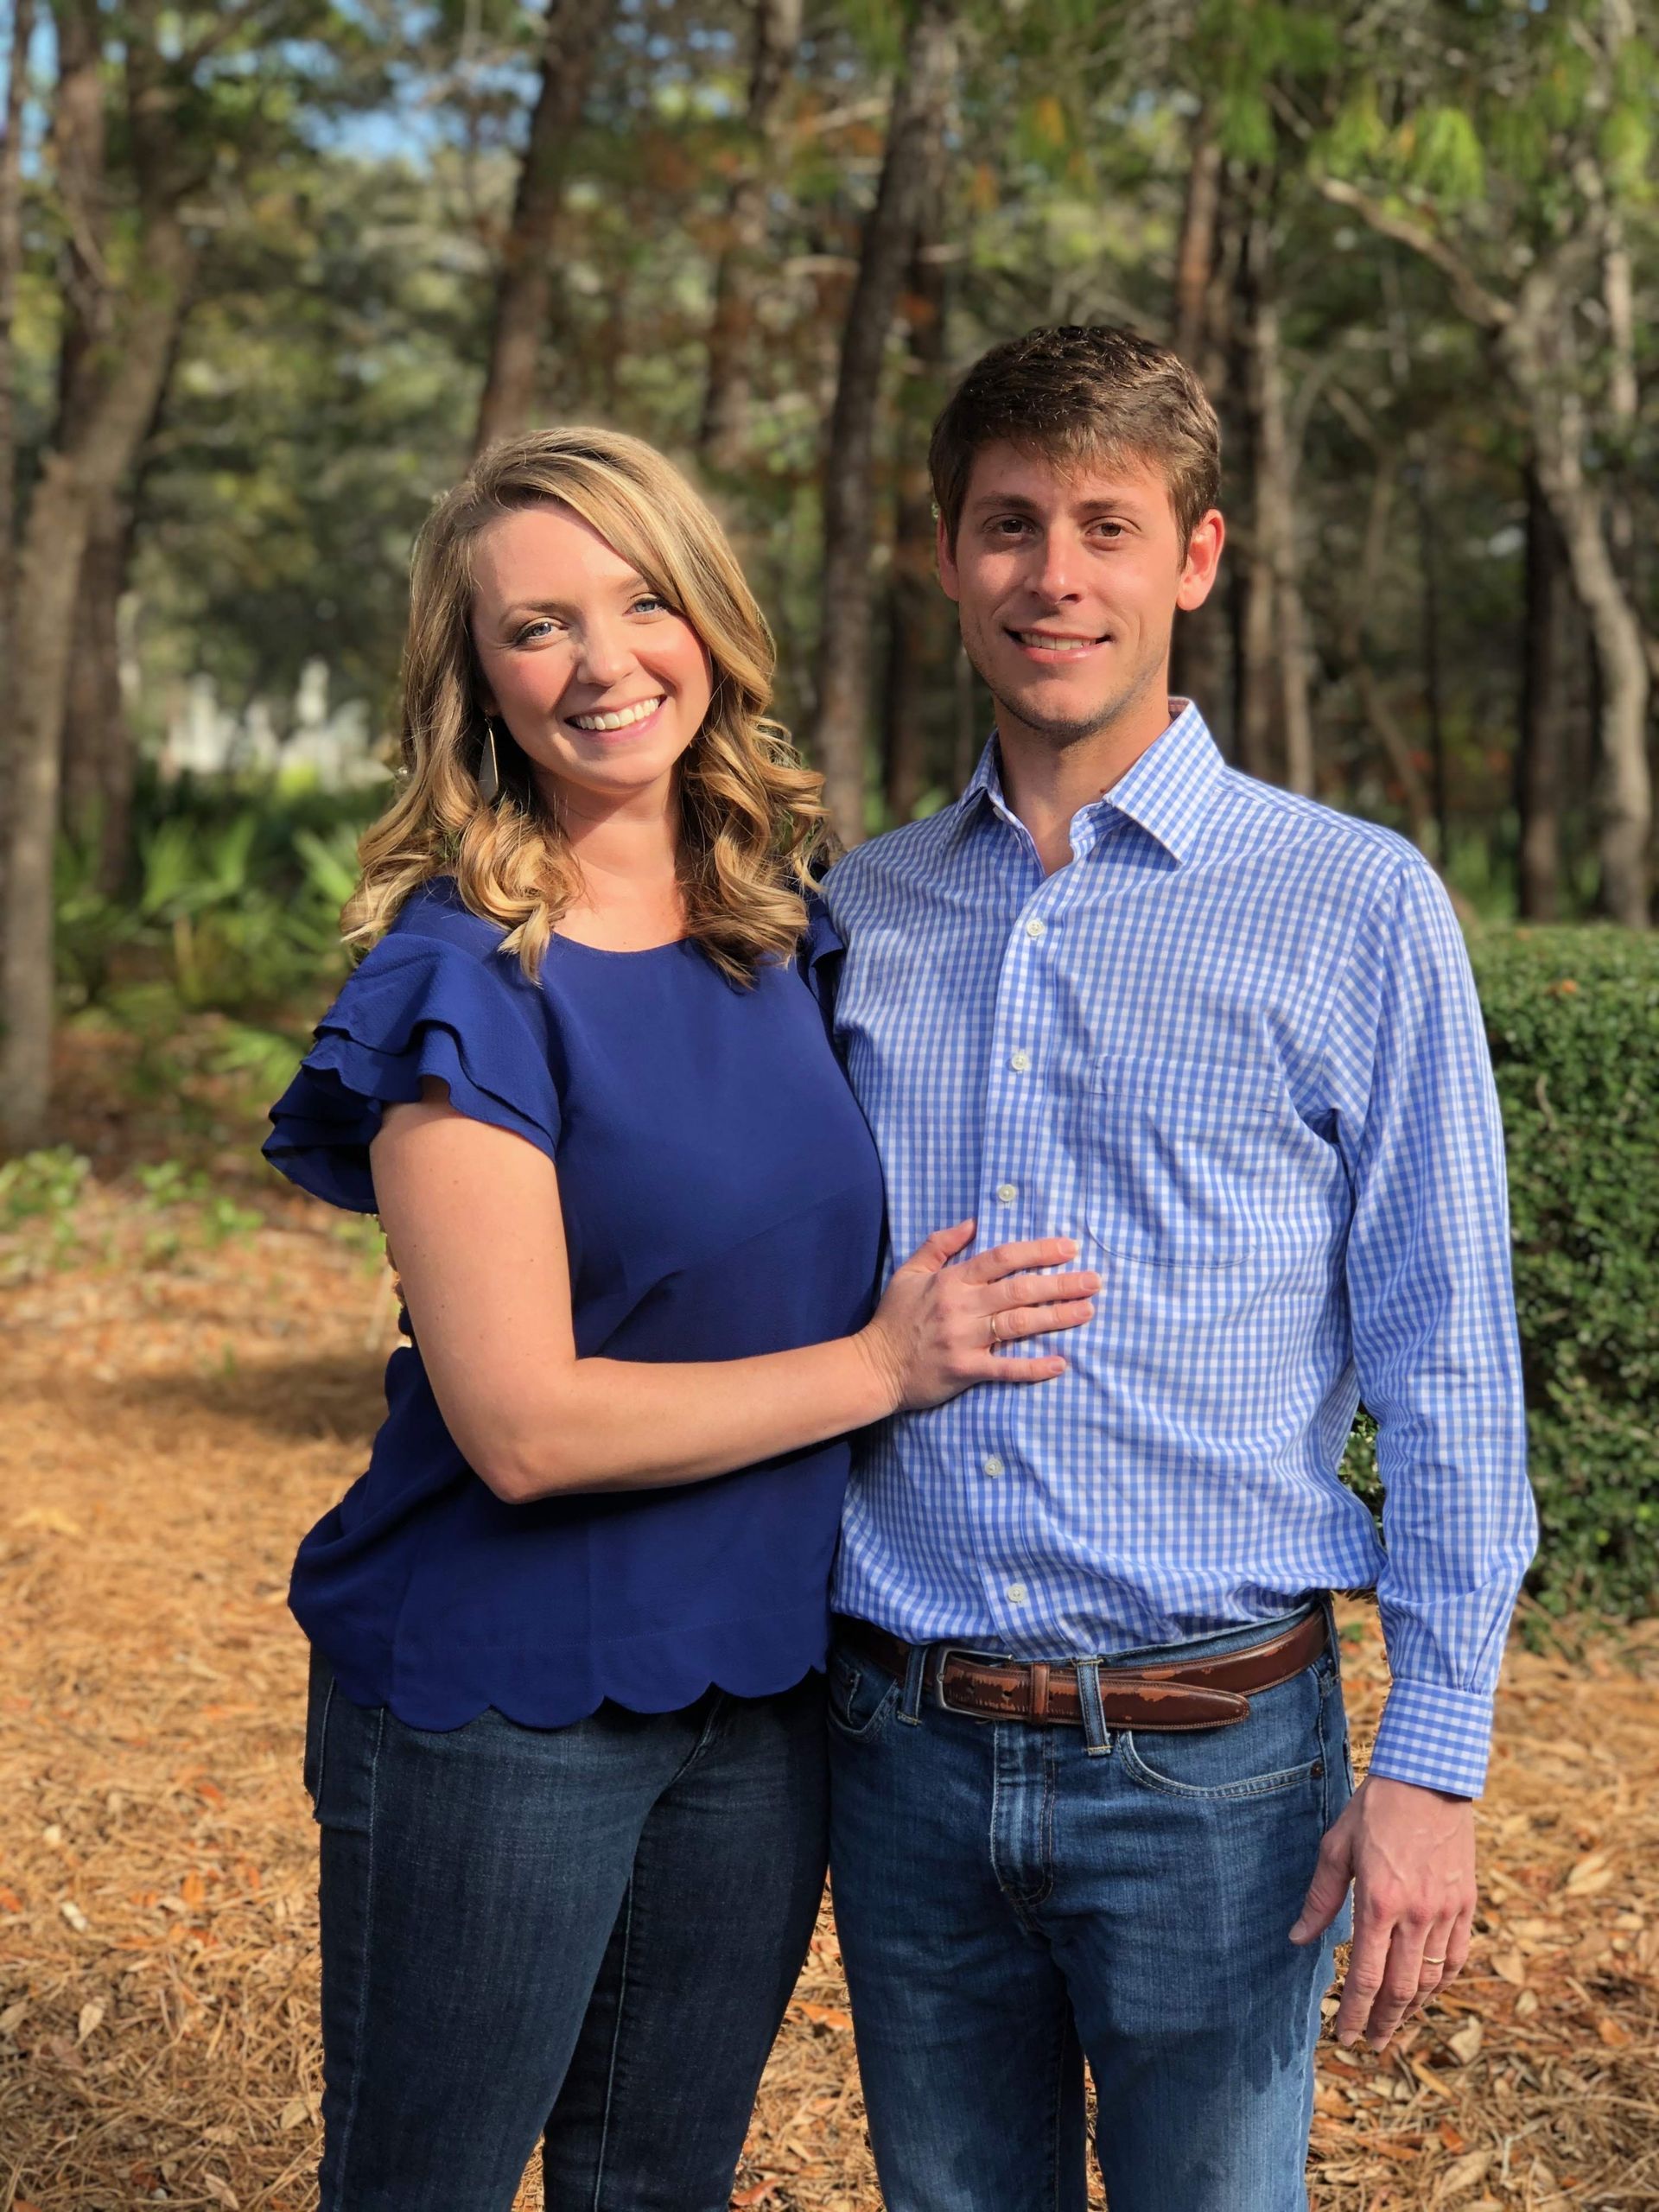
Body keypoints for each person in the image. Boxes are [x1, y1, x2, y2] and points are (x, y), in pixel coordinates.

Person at [262, 425, 1098, 2212]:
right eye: (536, 627)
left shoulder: (778, 931)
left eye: (642, 602)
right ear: (473, 675)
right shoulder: (460, 975)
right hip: (507, 1693)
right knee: (428, 2182)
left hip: (764, 1683)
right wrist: (882, 1363)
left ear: (709, 622)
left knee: (659, 2182)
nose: (602, 661)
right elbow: (523, 1422)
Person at [818, 327, 1538, 2212]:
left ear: (1196, 557)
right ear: (949, 555)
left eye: (1107, 526)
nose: (1055, 573)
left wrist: (1435, 1760)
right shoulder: (858, 915)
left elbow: (1448, 1356)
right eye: (1009, 523)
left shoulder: (1357, 903)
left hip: (1214, 1767)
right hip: (903, 1748)